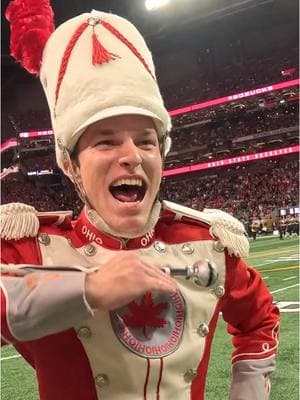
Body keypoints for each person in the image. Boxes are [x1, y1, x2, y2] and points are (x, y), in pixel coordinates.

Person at [1, 1, 279, 399]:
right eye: (106, 141)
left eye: (146, 141)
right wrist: (88, 288)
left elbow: (259, 320)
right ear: (70, 164)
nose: (132, 155)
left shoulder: (209, 243)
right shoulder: (31, 247)